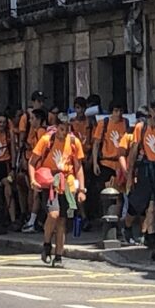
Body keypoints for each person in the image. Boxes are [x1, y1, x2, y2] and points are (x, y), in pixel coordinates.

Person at [29, 112, 86, 267]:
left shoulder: (74, 142)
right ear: (56, 127)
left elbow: (78, 167)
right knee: (53, 214)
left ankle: (59, 255)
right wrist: (33, 180)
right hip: (50, 181)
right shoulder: (46, 140)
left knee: (62, 220)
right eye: (61, 129)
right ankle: (47, 244)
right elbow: (32, 161)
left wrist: (81, 189)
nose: (64, 133)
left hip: (67, 183)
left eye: (67, 129)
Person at [125, 100, 155, 261]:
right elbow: (133, 151)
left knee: (154, 205)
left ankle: (151, 238)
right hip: (146, 169)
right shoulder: (141, 127)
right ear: (151, 112)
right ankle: (127, 226)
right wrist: (129, 176)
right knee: (137, 204)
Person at [91, 102, 130, 217]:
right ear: (111, 111)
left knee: (120, 194)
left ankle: (117, 218)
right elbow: (96, 144)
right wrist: (95, 163)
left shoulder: (126, 123)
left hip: (121, 164)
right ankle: (107, 216)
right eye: (116, 111)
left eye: (121, 111)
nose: (118, 114)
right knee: (108, 193)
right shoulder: (104, 123)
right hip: (106, 163)